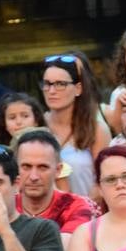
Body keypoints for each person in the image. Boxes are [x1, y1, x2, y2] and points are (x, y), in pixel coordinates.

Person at [42, 53, 109, 196]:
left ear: (78, 88)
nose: (52, 91)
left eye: (60, 84)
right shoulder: (37, 125)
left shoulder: (96, 129)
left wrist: (78, 213)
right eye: (47, 84)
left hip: (87, 213)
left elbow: (103, 183)